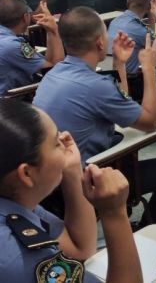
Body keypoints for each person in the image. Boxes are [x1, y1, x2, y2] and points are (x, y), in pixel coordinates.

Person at [33, 6, 156, 228]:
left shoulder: (55, 73)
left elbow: (120, 102)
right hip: (84, 180)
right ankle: (146, 230)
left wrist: (120, 64)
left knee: (119, 139)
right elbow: (151, 121)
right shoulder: (95, 85)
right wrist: (148, 68)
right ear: (100, 42)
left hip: (52, 180)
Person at [0, 99, 142, 283]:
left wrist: (73, 171)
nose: (64, 142)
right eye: (55, 143)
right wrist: (114, 213)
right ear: (27, 173)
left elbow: (80, 249)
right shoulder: (19, 257)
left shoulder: (15, 199)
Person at [0, 0, 64, 95]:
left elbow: (48, 63)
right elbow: (56, 68)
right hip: (10, 103)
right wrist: (54, 30)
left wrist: (49, 31)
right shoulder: (13, 46)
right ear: (26, 17)